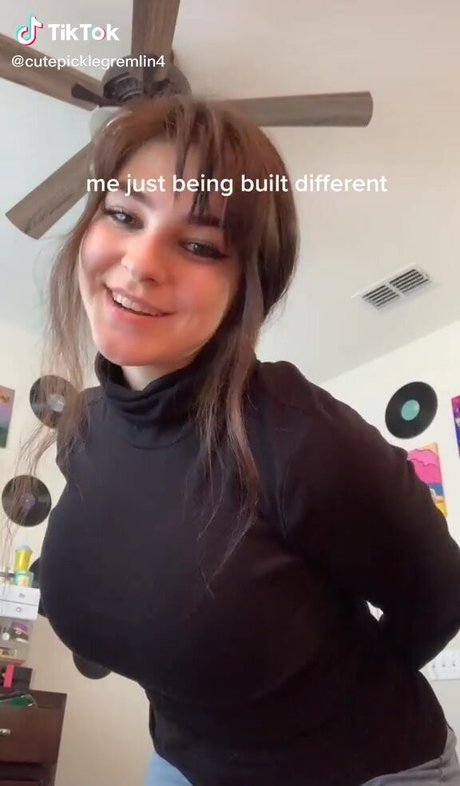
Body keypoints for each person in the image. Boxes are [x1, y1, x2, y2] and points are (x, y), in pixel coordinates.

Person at [18, 94, 460, 786]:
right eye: (125, 215)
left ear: (246, 289)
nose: (139, 263)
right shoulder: (87, 426)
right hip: (183, 761)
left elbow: (440, 594)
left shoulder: (300, 438)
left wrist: (316, 715)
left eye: (199, 245)